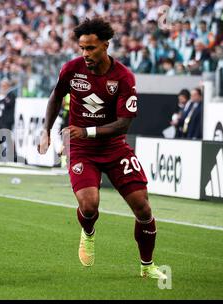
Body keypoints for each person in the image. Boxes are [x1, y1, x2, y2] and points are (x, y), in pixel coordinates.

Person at [38, 18, 166, 280]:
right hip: (81, 148)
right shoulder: (72, 69)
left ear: (105, 45)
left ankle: (147, 266)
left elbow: (123, 124)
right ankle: (88, 232)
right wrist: (46, 131)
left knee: (142, 207)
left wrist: (87, 130)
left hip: (114, 147)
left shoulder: (123, 77)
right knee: (89, 205)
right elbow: (55, 96)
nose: (85, 54)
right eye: (82, 48)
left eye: (91, 48)